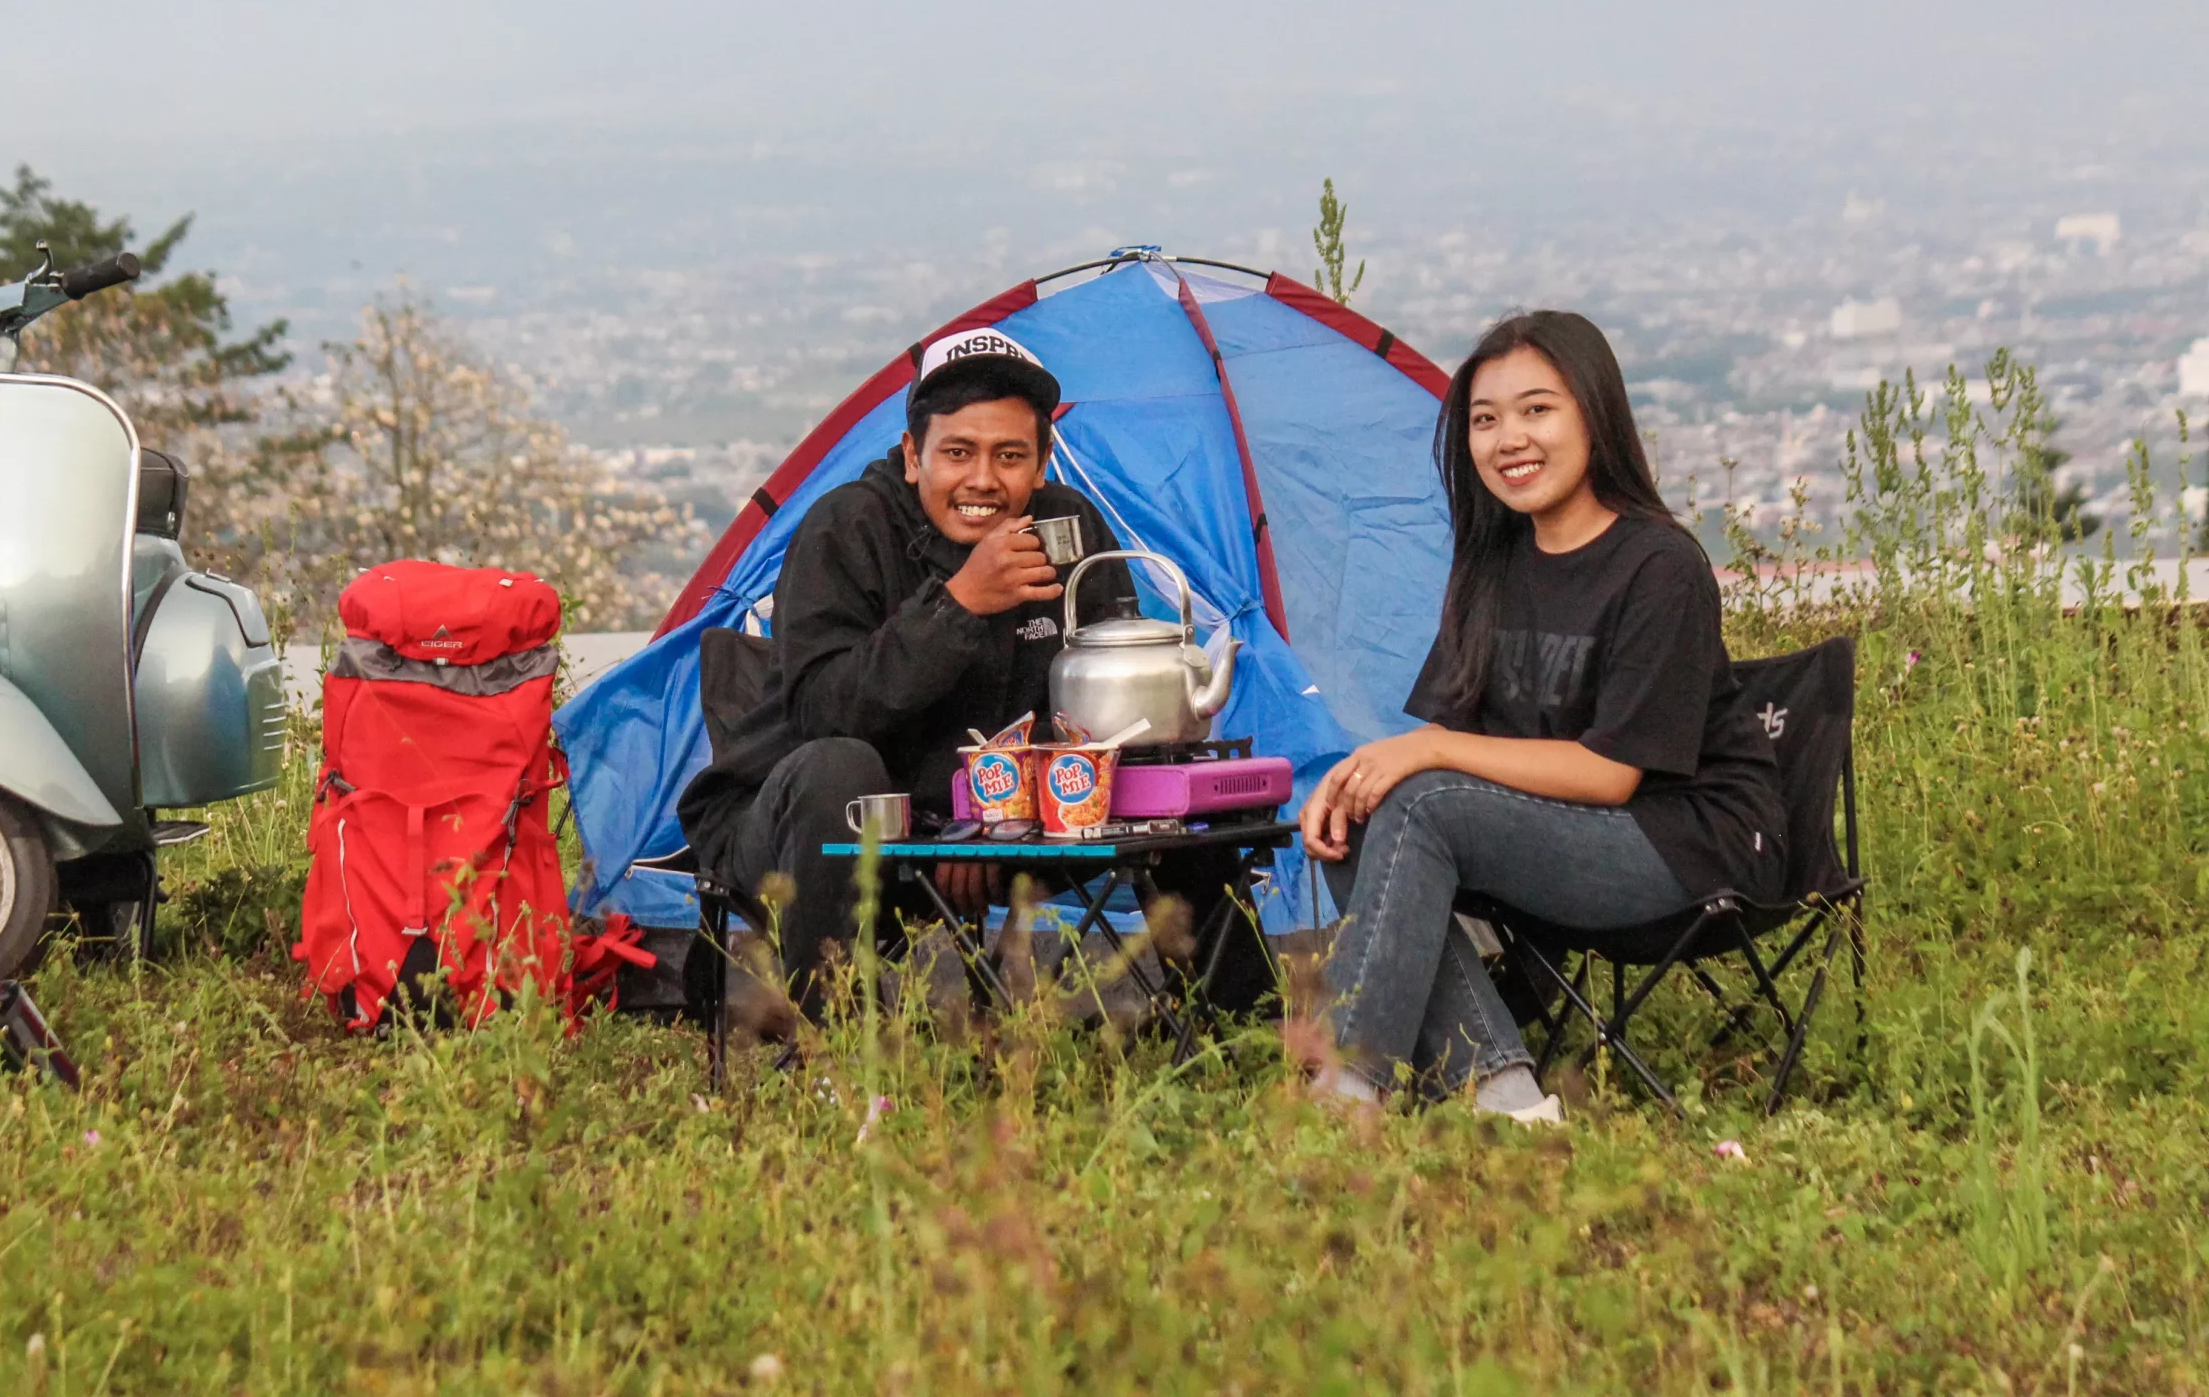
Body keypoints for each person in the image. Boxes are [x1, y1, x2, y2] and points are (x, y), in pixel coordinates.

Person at [678, 328, 1268, 1019]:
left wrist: (991, 817)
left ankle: (1250, 1033)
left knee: (1168, 774)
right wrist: (957, 606)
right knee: (839, 767)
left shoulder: (1067, 530)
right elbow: (822, 714)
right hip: (804, 829)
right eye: (957, 453)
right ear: (913, 456)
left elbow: (1109, 713)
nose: (983, 480)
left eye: (1010, 456)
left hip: (1010, 824)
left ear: (1042, 464)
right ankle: (835, 1049)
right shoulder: (848, 528)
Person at [1299, 310, 1785, 1124]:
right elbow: (1456, 738)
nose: (1509, 439)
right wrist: (1362, 774)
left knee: (1419, 800)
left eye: (1536, 409)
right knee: (1365, 809)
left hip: (1688, 848)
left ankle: (1348, 1094)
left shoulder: (1660, 566)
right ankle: (1506, 1099)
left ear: (1594, 414)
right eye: (1485, 419)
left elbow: (1611, 772)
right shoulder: (1494, 566)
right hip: (1565, 834)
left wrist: (1423, 754)